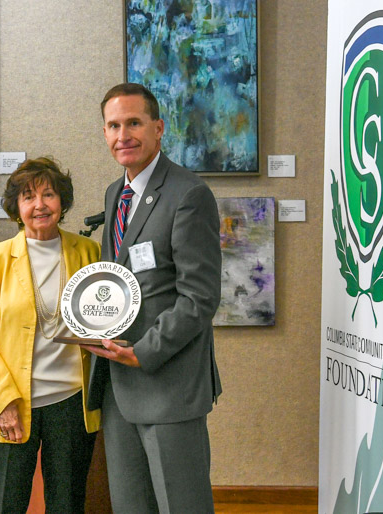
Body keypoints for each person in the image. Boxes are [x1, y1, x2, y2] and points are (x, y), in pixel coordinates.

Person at [83, 83, 222, 513]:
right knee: (130, 506)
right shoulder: (114, 194)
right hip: (117, 386)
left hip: (168, 383)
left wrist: (144, 352)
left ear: (158, 128)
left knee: (182, 506)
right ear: (105, 134)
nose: (123, 134)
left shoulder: (189, 194)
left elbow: (199, 297)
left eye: (134, 123)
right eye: (113, 125)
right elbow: (117, 282)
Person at [0, 157, 101, 513]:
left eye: (49, 194)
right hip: (10, 402)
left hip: (71, 401)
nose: (39, 204)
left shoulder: (89, 252)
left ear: (62, 202)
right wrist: (4, 400)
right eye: (28, 196)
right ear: (16, 207)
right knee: (5, 504)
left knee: (68, 504)